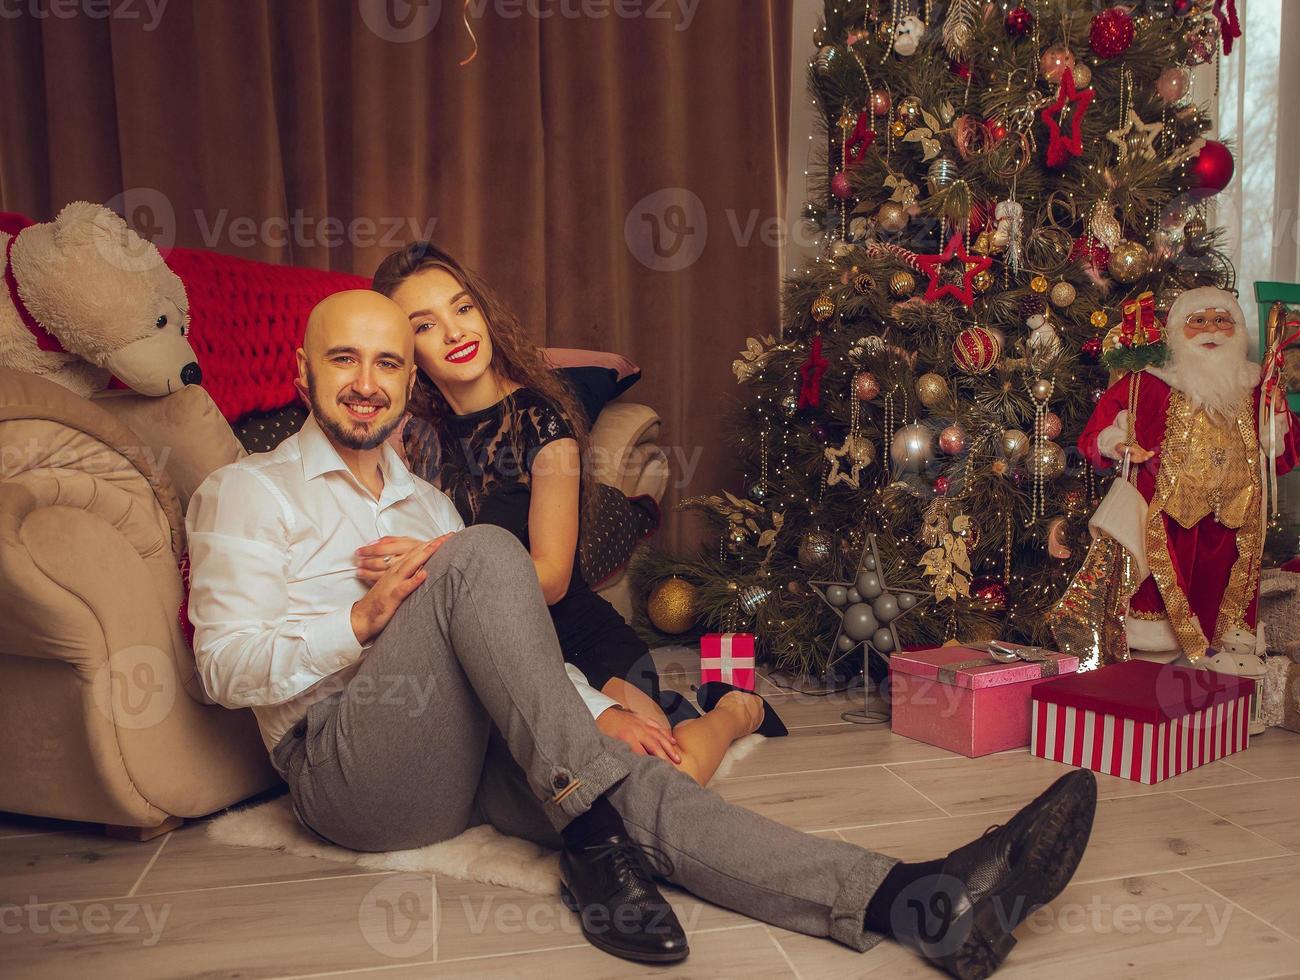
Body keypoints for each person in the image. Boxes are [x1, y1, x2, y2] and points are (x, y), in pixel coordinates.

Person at [185, 289, 1097, 977]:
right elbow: (223, 669)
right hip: (344, 772)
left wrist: (594, 711)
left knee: (638, 791)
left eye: (387, 364)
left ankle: (915, 899)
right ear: (303, 375)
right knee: (486, 553)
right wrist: (361, 618)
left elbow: (498, 648)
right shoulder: (244, 492)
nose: (365, 383)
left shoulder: (423, 501)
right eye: (343, 360)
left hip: (454, 746)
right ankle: (590, 838)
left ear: (407, 382)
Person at [361, 241, 784, 787]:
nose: (455, 331)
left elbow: (554, 581)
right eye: (425, 324)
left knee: (659, 775)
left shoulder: (542, 422)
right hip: (493, 649)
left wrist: (432, 563)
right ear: (405, 349)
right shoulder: (412, 438)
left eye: (463, 308)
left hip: (579, 637)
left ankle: (734, 711)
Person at [1076, 286, 1300, 663]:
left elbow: (1281, 453)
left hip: (1237, 516)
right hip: (1166, 519)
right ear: (1178, 330)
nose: (1211, 331)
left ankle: (1225, 672)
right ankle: (1158, 662)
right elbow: (1098, 431)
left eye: (1222, 321)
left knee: (1225, 596)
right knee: (1164, 599)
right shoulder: (1149, 382)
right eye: (1198, 322)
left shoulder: (1256, 385)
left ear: (1239, 329)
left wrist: (1276, 414)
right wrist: (1117, 444)